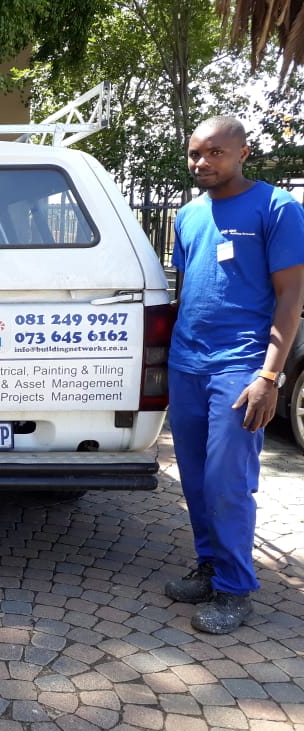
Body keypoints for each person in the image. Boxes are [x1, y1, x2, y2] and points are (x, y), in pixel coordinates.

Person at [164, 116, 304, 635]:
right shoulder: (188, 215)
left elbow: (291, 295)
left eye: (215, 153)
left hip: (240, 366)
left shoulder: (277, 208)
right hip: (187, 363)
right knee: (196, 480)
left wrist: (269, 377)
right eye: (195, 154)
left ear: (243, 152)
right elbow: (192, 289)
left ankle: (235, 590)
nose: (203, 163)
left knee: (228, 482)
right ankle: (209, 567)